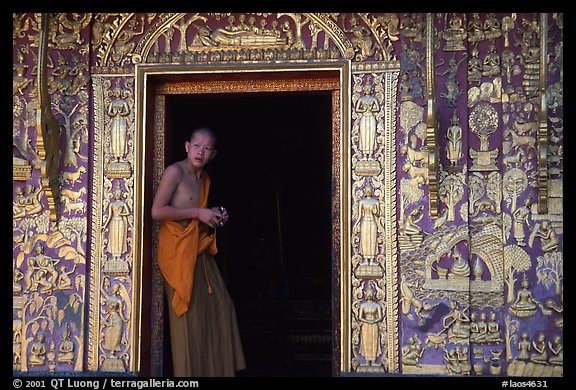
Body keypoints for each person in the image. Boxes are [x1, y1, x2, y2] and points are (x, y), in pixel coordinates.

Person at [151, 127, 246, 377]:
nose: (200, 151)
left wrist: (211, 215)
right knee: (189, 318)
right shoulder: (175, 172)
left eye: (206, 148)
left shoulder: (204, 179)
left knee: (222, 306)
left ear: (213, 154)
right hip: (177, 252)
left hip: (197, 248)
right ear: (186, 146)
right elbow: (157, 212)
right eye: (196, 146)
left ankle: (218, 370)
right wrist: (198, 213)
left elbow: (196, 213)